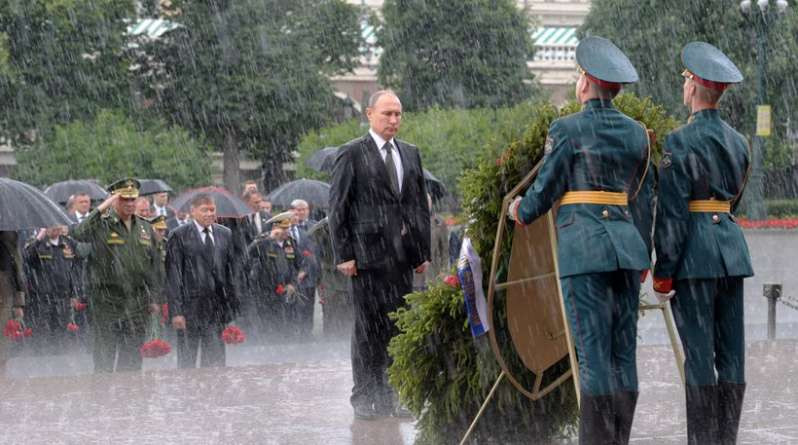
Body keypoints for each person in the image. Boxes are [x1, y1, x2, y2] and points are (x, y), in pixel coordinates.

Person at [508, 36, 654, 444]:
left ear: (587, 81)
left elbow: (546, 187)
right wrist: (644, 254)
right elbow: (644, 198)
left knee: (591, 356)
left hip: (585, 249)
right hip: (626, 252)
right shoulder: (637, 134)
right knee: (623, 354)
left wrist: (521, 210)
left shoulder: (567, 128)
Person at [652, 42, 752, 445]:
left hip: (695, 258)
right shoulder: (740, 142)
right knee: (732, 358)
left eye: (685, 80)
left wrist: (663, 274)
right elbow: (732, 201)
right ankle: (725, 439)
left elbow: (673, 215)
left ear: (693, 87)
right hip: (731, 252)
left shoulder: (678, 142)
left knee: (699, 359)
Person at [329, 89, 431, 420]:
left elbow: (416, 206)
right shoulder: (352, 153)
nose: (393, 120)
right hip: (365, 259)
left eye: (398, 114)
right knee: (367, 330)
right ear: (370, 114)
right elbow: (338, 206)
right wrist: (343, 253)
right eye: (387, 113)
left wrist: (421, 252)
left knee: (398, 329)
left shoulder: (411, 153)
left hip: (401, 259)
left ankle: (394, 395)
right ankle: (364, 395)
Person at [71, 178, 162, 373]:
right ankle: (103, 401)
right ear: (114, 200)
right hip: (107, 301)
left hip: (137, 301)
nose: (130, 204)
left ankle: (128, 401)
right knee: (104, 359)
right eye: (124, 200)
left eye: (133, 200)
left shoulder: (145, 227)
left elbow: (155, 266)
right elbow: (78, 233)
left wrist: (154, 297)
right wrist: (103, 207)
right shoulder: (102, 225)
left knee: (131, 362)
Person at [166, 194, 240, 368]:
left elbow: (230, 271)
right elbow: (173, 274)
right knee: (187, 361)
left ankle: (213, 393)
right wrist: (176, 311)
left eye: (212, 210)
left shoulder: (225, 233)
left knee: (215, 361)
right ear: (193, 211)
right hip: (189, 308)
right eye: (204, 210)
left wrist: (232, 306)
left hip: (216, 309)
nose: (209, 214)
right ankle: (189, 393)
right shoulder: (179, 235)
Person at [23, 225, 81, 353]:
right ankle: (42, 364)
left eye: (57, 225)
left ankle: (60, 363)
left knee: (61, 331)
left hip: (63, 295)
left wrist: (74, 293)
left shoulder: (68, 242)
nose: (55, 228)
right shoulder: (36, 242)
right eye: (51, 225)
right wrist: (39, 238)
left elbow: (74, 269)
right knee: (42, 332)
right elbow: (27, 257)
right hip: (42, 297)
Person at [247, 212, 306, 339]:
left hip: (285, 290)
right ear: (275, 228)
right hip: (266, 290)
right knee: (268, 323)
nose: (287, 231)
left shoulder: (291, 242)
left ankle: (284, 346)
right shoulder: (264, 240)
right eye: (284, 228)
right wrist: (269, 238)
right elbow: (250, 253)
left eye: (288, 228)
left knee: (286, 323)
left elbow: (298, 265)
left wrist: (293, 284)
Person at [288, 202, 320, 339]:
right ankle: (293, 335)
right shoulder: (283, 231)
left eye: (302, 210)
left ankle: (307, 335)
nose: (298, 214)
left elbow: (312, 252)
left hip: (307, 277)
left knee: (308, 307)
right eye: (296, 212)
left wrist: (305, 270)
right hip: (290, 278)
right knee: (293, 309)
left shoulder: (307, 231)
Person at [0, 231, 25, 375]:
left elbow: (16, 267)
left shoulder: (9, 234)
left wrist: (18, 302)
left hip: (5, 290)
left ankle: (2, 378)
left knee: (3, 340)